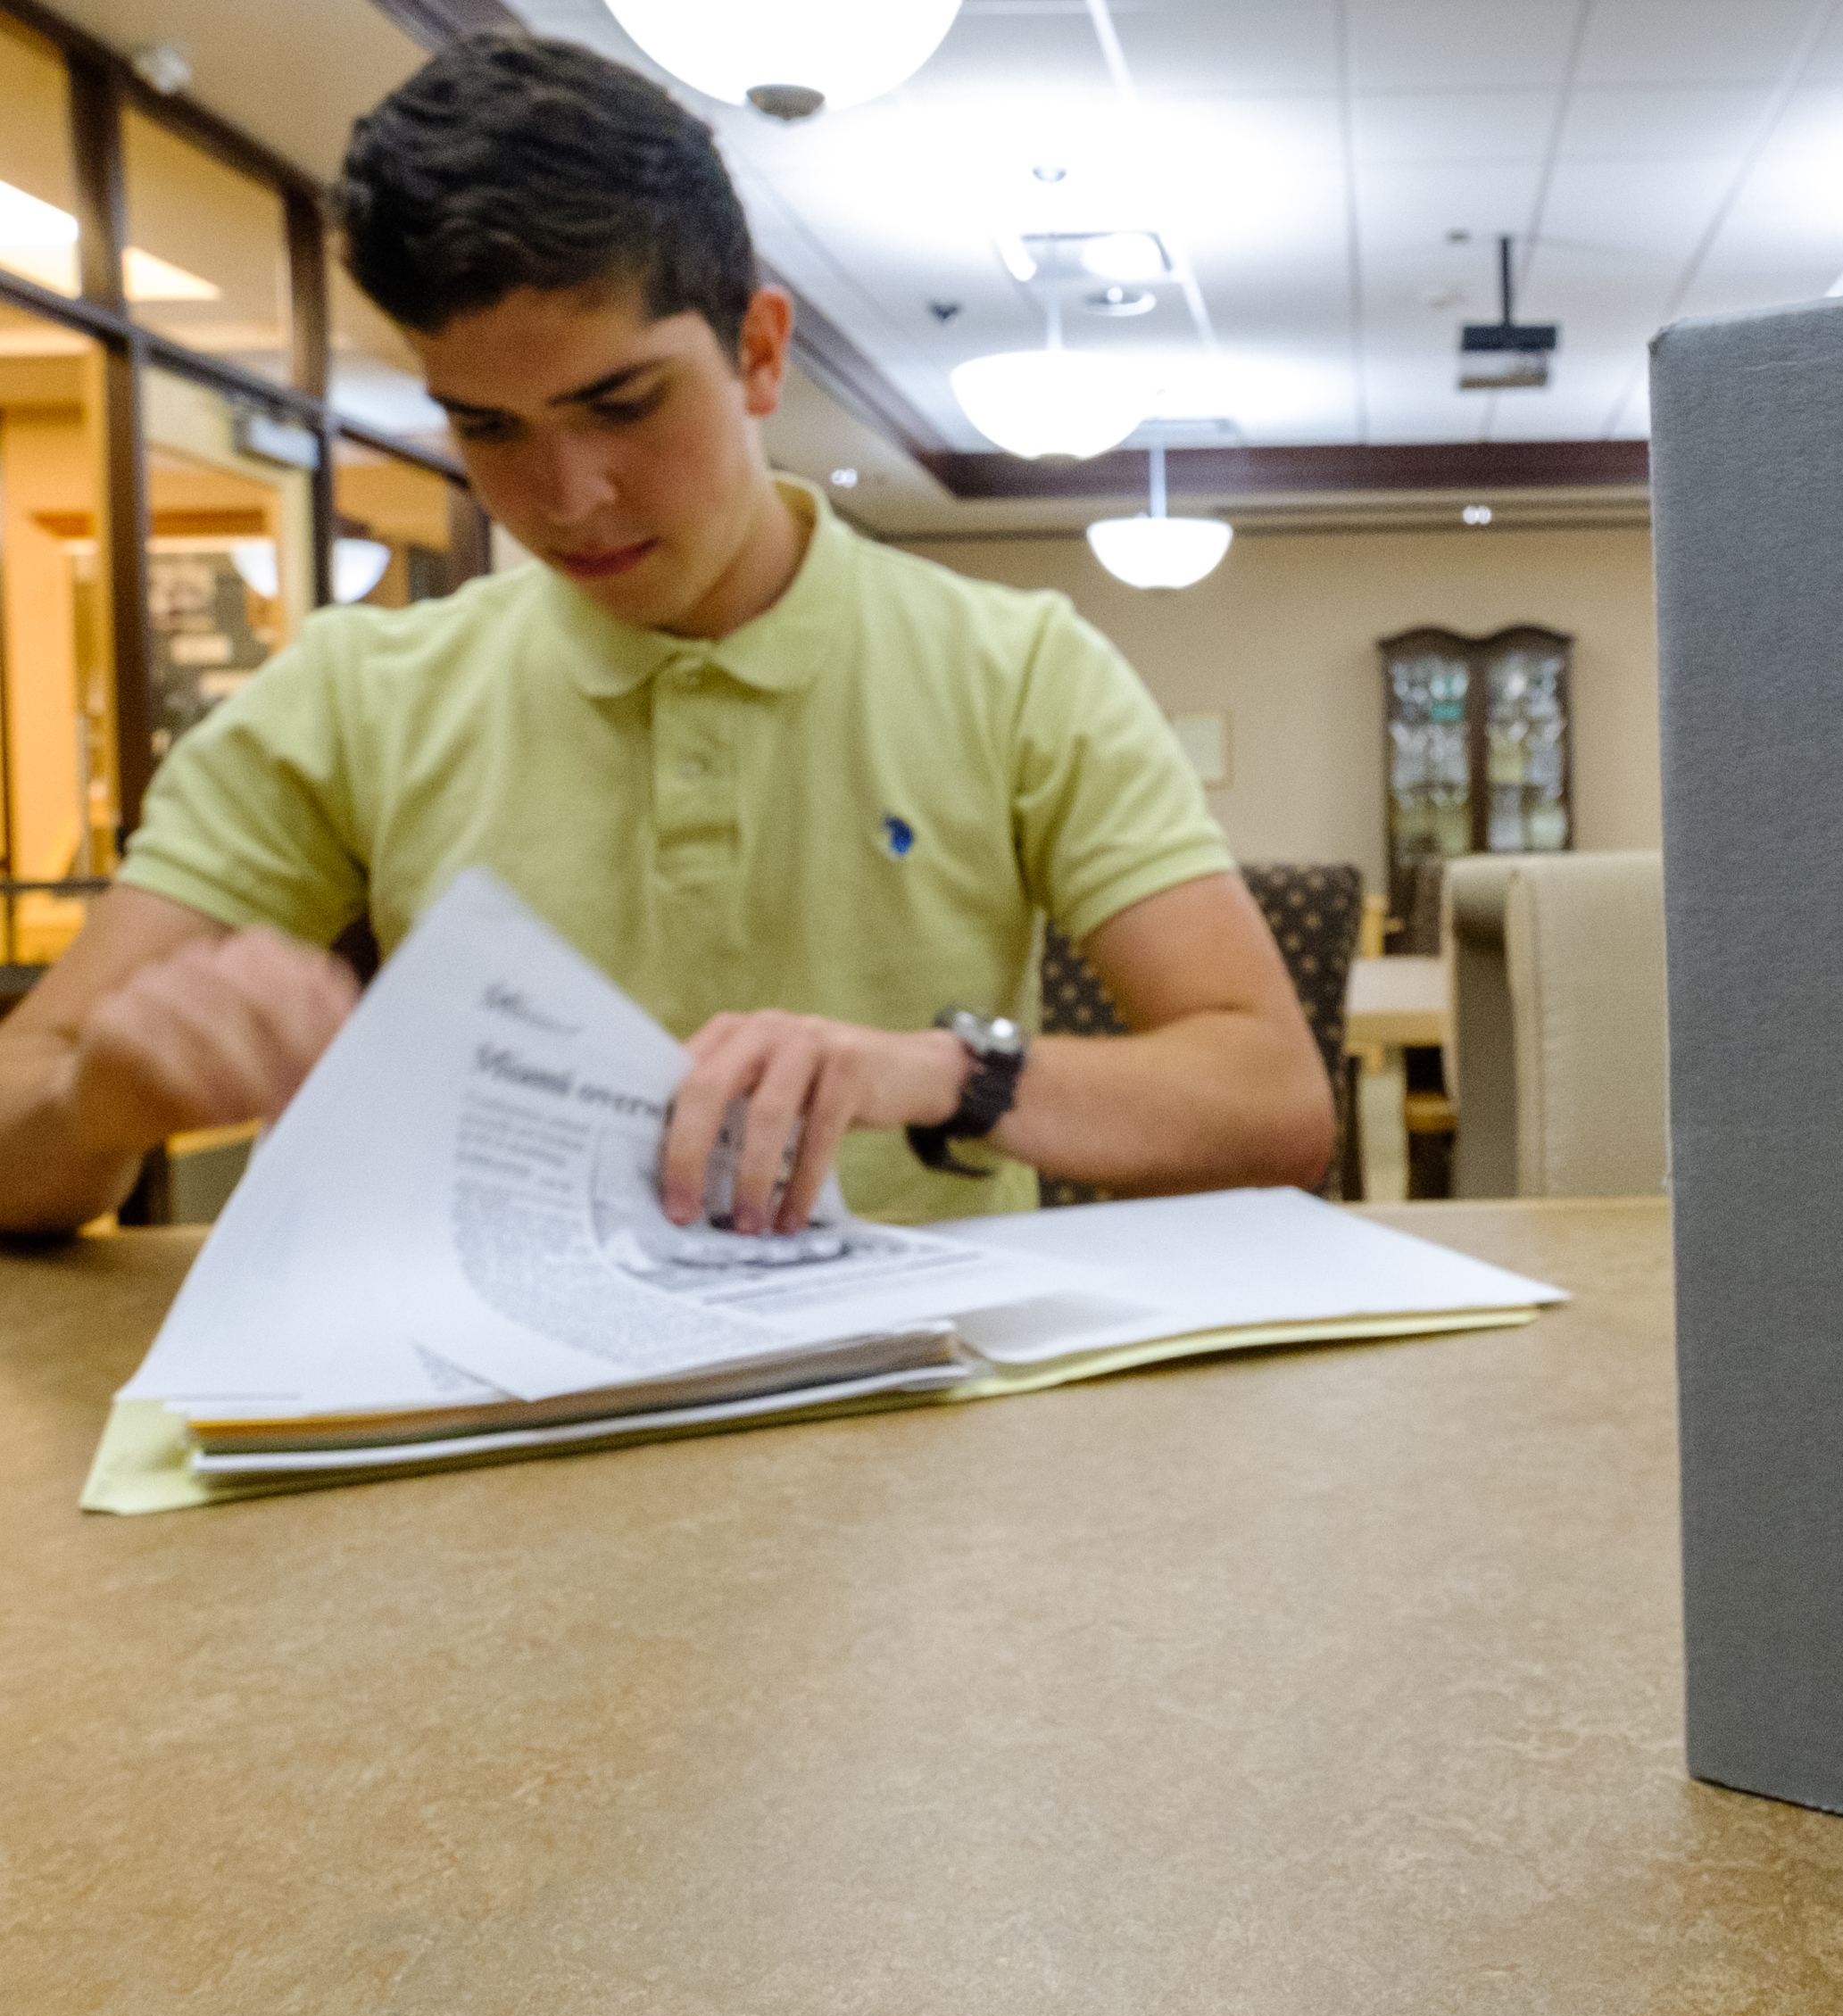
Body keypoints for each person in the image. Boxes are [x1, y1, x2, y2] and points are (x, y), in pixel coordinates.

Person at [0, 34, 1332, 1239]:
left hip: (929, 1420)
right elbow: (25, 1109)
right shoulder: (354, 698)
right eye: (488, 429)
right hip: (504, 1417)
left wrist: (931, 1071)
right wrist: (102, 1105)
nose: (565, 501)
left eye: (624, 405)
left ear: (759, 350)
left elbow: (1273, 1102)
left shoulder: (1023, 669)